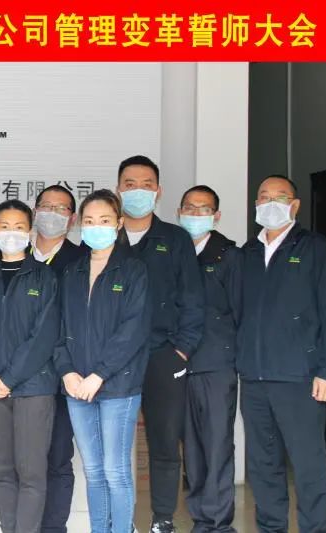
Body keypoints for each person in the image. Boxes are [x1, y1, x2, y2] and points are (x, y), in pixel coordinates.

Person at [238, 175, 326, 532]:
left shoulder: (315, 249)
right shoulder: (247, 252)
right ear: (256, 205)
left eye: (279, 197)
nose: (270, 203)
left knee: (308, 466)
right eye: (264, 197)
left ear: (295, 205)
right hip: (254, 377)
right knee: (263, 466)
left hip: (300, 377)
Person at [116, 155, 204, 533]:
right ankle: (118, 520)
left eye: (146, 184)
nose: (138, 190)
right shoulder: (104, 236)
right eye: (130, 184)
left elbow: (193, 298)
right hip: (114, 358)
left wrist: (180, 351)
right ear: (118, 190)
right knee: (113, 446)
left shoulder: (175, 239)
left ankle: (162, 519)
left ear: (159, 191)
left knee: (165, 442)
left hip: (162, 355)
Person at [55, 189, 150, 533]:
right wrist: (67, 371)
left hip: (118, 385)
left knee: (116, 471)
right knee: (94, 471)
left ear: (119, 223)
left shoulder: (133, 270)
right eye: (90, 221)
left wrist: (99, 374)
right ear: (80, 224)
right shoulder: (72, 271)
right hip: (77, 386)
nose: (96, 227)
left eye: (105, 220)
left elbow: (133, 330)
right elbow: (58, 327)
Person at [0, 199, 59, 533]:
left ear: (30, 232)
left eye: (19, 227)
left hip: (33, 388)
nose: (11, 233)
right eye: (4, 227)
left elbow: (44, 336)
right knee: (2, 471)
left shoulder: (45, 277)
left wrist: (9, 377)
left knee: (31, 473)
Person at [177, 186, 242, 533]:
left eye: (203, 209)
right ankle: (201, 519)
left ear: (216, 216)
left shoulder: (229, 256)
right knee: (192, 450)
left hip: (216, 365)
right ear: (179, 211)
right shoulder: (174, 252)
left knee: (217, 445)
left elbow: (241, 310)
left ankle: (218, 523)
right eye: (189, 207)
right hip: (179, 365)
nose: (195, 214)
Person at [31, 184, 85, 533]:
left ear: (73, 218)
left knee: (58, 458)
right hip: (20, 377)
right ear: (34, 211)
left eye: (61, 208)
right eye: (46, 206)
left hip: (64, 374)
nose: (52, 214)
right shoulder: (12, 253)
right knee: (23, 463)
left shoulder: (81, 261)